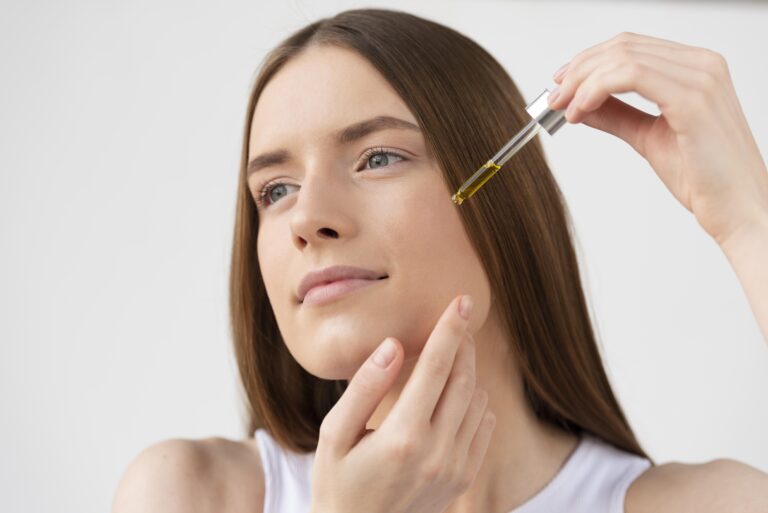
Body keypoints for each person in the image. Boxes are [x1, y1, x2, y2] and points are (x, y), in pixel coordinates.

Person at [111, 8, 768, 513]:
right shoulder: (189, 493)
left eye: (377, 157)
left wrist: (747, 219)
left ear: (500, 195)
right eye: (274, 191)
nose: (307, 219)